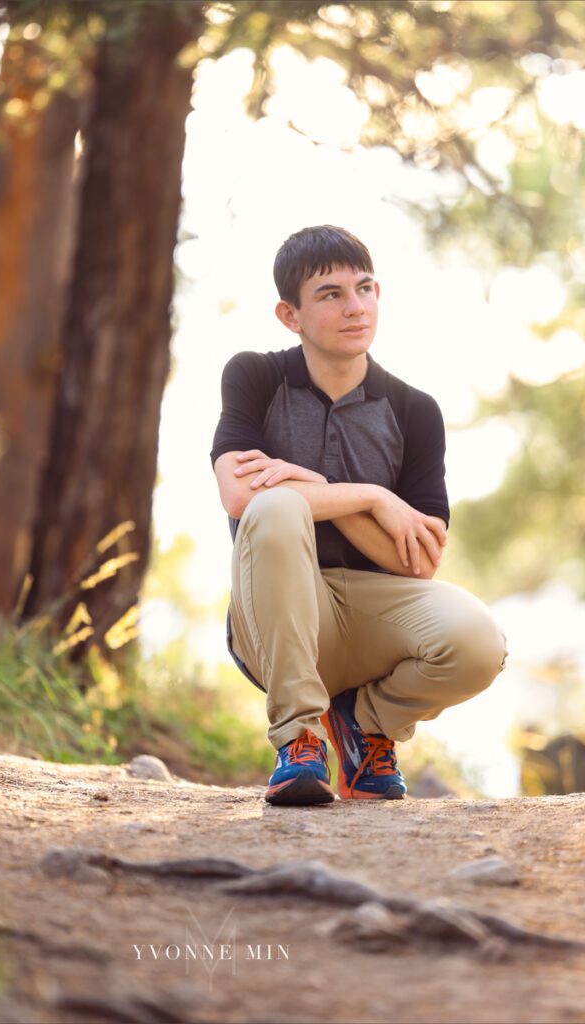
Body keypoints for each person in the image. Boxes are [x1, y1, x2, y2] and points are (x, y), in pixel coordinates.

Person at [210, 225, 507, 806]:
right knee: (273, 506)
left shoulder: (415, 411)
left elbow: (418, 560)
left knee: (480, 642)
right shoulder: (255, 377)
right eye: (330, 294)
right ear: (289, 315)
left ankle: (363, 724)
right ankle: (300, 739)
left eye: (364, 288)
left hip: (377, 615)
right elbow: (241, 497)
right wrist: (372, 499)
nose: (356, 307)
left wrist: (329, 490)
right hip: (276, 617)